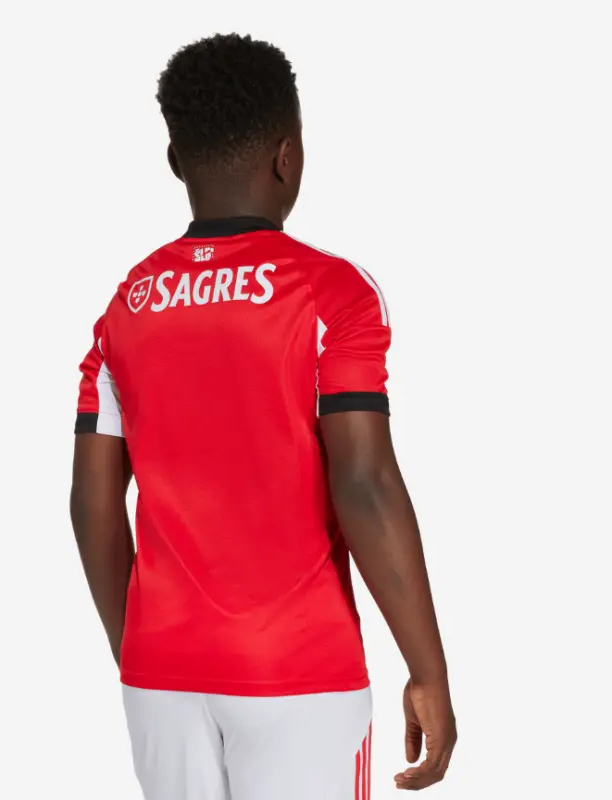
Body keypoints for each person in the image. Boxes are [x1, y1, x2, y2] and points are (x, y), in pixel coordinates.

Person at [70, 32, 456, 800]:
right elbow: (366, 482)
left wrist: (141, 652)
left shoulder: (126, 306)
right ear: (289, 156)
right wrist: (428, 669)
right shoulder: (332, 294)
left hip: (160, 675)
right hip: (299, 673)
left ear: (176, 161)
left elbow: (91, 504)